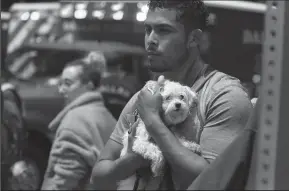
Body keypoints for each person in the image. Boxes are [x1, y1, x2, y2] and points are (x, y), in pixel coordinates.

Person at [91, 0, 253, 190]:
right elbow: (99, 177)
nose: (150, 40)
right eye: (147, 29)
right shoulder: (145, 96)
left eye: (163, 30)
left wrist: (153, 121)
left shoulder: (224, 96)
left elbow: (213, 181)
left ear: (193, 38)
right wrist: (133, 161)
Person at [41, 52, 117, 190]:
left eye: (67, 84)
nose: (61, 90)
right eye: (60, 83)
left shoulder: (74, 122)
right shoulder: (105, 115)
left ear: (88, 85)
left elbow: (63, 182)